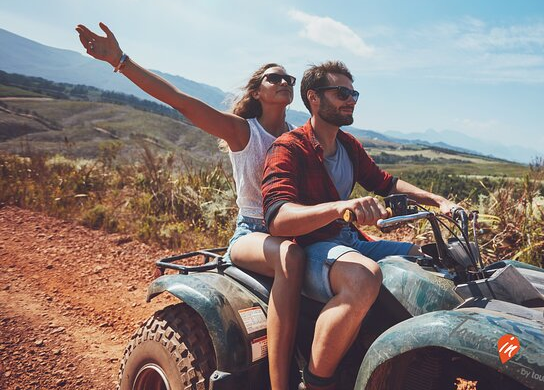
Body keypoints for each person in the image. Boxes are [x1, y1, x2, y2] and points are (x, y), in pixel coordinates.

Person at [75, 22, 303, 390]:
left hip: (293, 227)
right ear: (257, 92)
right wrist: (120, 60)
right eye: (275, 78)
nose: (285, 82)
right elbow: (180, 100)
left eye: (289, 78)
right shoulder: (242, 131)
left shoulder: (296, 137)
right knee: (291, 257)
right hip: (255, 232)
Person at [261, 61, 457, 390]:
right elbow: (278, 218)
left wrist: (439, 201)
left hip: (349, 241)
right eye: (341, 93)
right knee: (363, 276)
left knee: (424, 261)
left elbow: (386, 183)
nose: (350, 100)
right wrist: (340, 207)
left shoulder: (348, 146)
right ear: (313, 98)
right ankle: (316, 382)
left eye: (353, 93)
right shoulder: (289, 148)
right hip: (309, 246)